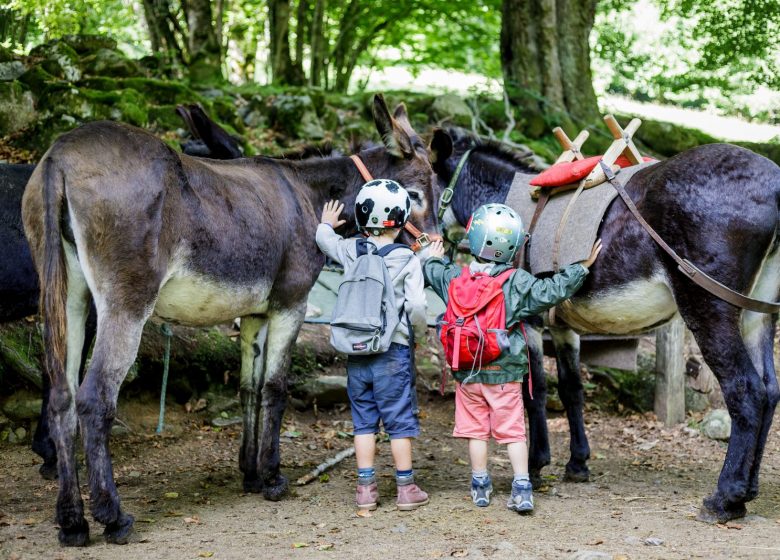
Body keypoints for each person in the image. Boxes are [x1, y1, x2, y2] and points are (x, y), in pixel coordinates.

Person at [424, 203, 601, 514]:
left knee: (476, 431)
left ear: (474, 239)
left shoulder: (453, 278)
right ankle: (521, 487)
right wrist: (582, 267)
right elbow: (552, 291)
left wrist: (433, 254)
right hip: (505, 376)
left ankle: (480, 485)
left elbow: (431, 269)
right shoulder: (517, 282)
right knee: (513, 431)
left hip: (467, 374)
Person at [316, 179, 429, 511]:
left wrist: (325, 223)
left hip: (356, 349)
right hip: (392, 351)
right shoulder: (407, 259)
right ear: (401, 217)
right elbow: (418, 307)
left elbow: (325, 240)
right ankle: (405, 488)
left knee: (363, 421)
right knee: (398, 421)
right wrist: (418, 336)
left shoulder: (352, 249)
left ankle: (365, 490)